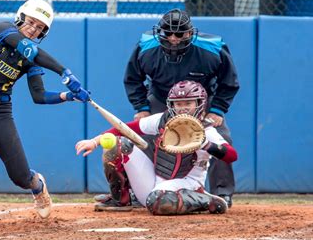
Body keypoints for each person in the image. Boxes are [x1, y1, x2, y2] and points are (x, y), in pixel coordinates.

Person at [0, 0, 90, 235]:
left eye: (39, 28)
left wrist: (69, 96)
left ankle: (38, 185)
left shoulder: (31, 60)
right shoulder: (1, 30)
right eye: (32, 22)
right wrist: (65, 72)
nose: (33, 29)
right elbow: (31, 50)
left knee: (20, 177)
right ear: (21, 17)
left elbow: (40, 95)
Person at [123, 8, 240, 207]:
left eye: (179, 33)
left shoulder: (212, 48)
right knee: (138, 136)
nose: (173, 39)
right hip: (161, 97)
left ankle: (222, 192)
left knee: (222, 137)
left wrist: (217, 109)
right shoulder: (145, 47)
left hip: (201, 100)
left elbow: (229, 81)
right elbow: (133, 79)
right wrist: (141, 107)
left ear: (190, 32)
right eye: (168, 33)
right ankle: (136, 191)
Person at [76, 81, 238, 214]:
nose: (182, 107)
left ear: (199, 104)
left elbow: (231, 156)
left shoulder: (206, 130)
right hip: (156, 179)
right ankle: (122, 199)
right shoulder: (163, 119)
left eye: (188, 103)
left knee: (157, 202)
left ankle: (206, 200)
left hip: (187, 182)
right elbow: (126, 129)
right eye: (178, 103)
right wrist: (95, 141)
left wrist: (206, 145)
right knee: (116, 144)